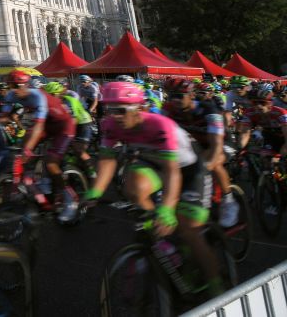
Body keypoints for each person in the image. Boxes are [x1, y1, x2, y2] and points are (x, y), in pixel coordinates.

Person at [86, 81, 222, 296]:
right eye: (110, 110)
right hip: (153, 163)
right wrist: (94, 192)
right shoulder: (110, 125)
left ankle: (218, 288)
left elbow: (172, 171)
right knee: (133, 187)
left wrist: (167, 208)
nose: (115, 117)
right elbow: (107, 160)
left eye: (121, 110)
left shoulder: (160, 125)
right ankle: (164, 241)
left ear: (139, 108)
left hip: (187, 169)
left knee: (189, 230)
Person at [0, 71, 78, 221]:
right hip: (46, 125)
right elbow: (3, 119)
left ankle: (70, 198)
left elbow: (38, 128)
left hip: (63, 125)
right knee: (21, 153)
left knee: (50, 162)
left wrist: (27, 150)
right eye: (10, 86)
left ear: (26, 85)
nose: (13, 90)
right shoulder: (10, 95)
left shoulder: (38, 96)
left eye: (16, 86)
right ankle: (38, 183)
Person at [162, 78, 239, 227]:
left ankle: (229, 201)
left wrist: (203, 170)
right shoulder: (168, 109)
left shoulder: (209, 110)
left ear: (191, 95)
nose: (174, 100)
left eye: (179, 96)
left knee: (212, 164)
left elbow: (216, 145)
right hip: (195, 146)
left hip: (222, 142)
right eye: (171, 96)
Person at [43, 81, 95, 178]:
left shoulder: (68, 101)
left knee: (78, 149)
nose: (49, 97)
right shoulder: (53, 102)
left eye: (51, 95)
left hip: (82, 123)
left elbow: (73, 121)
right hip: (70, 123)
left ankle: (91, 171)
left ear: (57, 94)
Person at [236, 85, 287, 156]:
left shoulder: (280, 113)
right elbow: (245, 133)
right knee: (265, 157)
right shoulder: (249, 113)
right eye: (255, 103)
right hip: (269, 135)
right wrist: (239, 149)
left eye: (263, 103)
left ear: (270, 104)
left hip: (284, 135)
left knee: (283, 155)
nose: (258, 106)